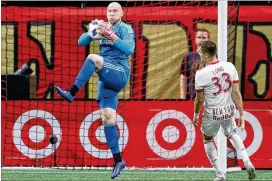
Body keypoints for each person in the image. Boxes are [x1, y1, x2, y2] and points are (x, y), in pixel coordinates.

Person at [55, 2, 135, 179]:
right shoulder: (102, 25)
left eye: (115, 11)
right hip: (106, 77)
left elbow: (129, 49)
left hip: (119, 72)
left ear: (122, 13)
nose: (111, 13)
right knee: (107, 118)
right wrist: (92, 32)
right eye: (109, 11)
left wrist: (111, 35)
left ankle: (71, 92)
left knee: (93, 58)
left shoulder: (125, 29)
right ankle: (118, 160)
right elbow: (80, 41)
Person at [193, 41, 256, 181]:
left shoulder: (201, 73)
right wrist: (241, 115)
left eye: (200, 53)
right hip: (228, 110)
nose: (199, 56)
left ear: (207, 55)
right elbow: (236, 92)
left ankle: (220, 175)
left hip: (212, 113)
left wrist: (196, 115)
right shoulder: (229, 66)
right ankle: (247, 162)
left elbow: (199, 99)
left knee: (207, 139)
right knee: (232, 134)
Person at [180, 29, 210, 100]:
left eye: (204, 38)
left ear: (208, 40)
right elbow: (183, 78)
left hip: (210, 98)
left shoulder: (214, 57)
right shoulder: (188, 57)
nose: (201, 40)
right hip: (192, 97)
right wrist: (183, 96)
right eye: (199, 37)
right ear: (195, 39)